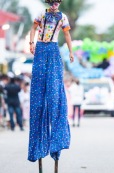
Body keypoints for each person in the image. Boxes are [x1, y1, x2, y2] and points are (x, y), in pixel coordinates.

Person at [28, 0, 74, 172]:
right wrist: (31, 43)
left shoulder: (63, 17)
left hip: (54, 49)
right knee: (38, 98)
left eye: (57, 2)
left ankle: (57, 144)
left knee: (55, 94)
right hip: (40, 49)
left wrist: (70, 51)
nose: (55, 4)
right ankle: (38, 149)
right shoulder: (41, 13)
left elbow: (67, 35)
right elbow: (33, 28)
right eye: (53, 2)